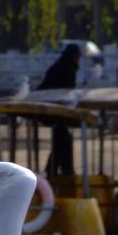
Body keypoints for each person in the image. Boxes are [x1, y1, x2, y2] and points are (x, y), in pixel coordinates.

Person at [37, 44, 81, 176]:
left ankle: (58, 170)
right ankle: (61, 171)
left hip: (53, 110)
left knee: (62, 139)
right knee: (63, 140)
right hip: (54, 110)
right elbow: (66, 93)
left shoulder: (61, 65)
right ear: (74, 56)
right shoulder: (67, 69)